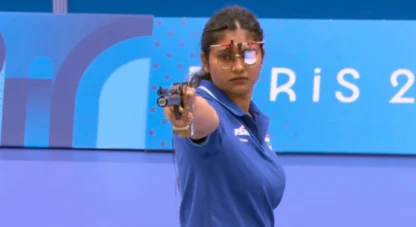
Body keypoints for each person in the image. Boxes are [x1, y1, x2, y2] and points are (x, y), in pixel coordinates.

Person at [163, 5, 286, 227]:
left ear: (262, 56)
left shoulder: (253, 118)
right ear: (205, 60)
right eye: (225, 56)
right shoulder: (208, 107)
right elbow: (204, 119)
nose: (239, 66)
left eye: (249, 54)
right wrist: (188, 109)